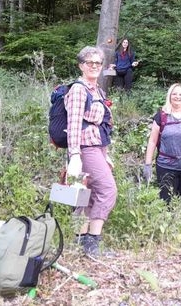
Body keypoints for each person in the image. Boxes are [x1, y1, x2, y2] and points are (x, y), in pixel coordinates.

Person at [65, 46, 117, 256]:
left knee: (86, 193)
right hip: (84, 148)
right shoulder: (79, 90)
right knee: (107, 190)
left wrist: (106, 154)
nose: (94, 66)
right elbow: (74, 123)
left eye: (98, 63)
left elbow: (101, 125)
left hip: (97, 146)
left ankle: (81, 241)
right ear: (81, 66)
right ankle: (93, 241)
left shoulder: (97, 90)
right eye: (90, 62)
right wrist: (74, 155)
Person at [143, 83, 181, 206]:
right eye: (174, 94)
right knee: (165, 204)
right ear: (169, 96)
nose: (177, 97)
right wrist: (148, 164)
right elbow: (152, 141)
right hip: (165, 167)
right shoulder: (161, 116)